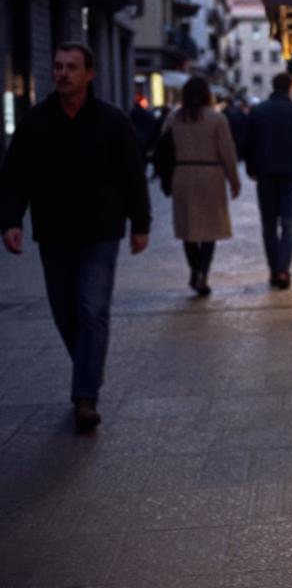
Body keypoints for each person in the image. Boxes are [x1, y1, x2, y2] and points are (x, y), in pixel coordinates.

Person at [0, 43, 151, 433]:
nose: (63, 73)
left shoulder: (112, 121)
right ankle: (89, 368)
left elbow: (132, 174)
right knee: (66, 313)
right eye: (58, 66)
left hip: (101, 231)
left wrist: (141, 223)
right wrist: (11, 220)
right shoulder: (36, 122)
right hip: (53, 232)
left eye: (71, 67)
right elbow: (15, 175)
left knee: (92, 310)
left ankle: (85, 396)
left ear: (89, 74)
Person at [163, 76, 241, 296]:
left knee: (187, 229)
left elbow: (164, 147)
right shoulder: (217, 119)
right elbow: (228, 152)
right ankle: (202, 272)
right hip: (211, 175)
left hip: (183, 174)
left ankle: (195, 268)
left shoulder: (174, 118)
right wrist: (234, 180)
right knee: (210, 229)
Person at [244, 73, 292, 290]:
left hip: (265, 175)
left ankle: (274, 269)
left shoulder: (258, 111)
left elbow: (248, 143)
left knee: (268, 225)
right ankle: (283, 269)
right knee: (288, 223)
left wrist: (251, 168)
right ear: (291, 86)